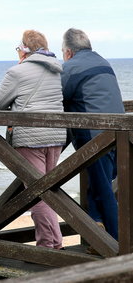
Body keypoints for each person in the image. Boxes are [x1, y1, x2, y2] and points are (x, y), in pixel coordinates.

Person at [0, 30, 67, 249]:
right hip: (55, 136)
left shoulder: (17, 71)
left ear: (23, 48)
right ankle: (55, 242)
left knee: (36, 195)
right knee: (48, 192)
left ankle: (47, 245)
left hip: (30, 138)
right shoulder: (55, 70)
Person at [61, 28, 124, 241]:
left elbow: (58, 98)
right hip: (118, 133)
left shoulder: (70, 67)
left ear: (68, 52)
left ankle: (118, 248)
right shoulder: (104, 63)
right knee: (98, 186)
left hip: (95, 138)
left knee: (104, 190)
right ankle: (96, 235)